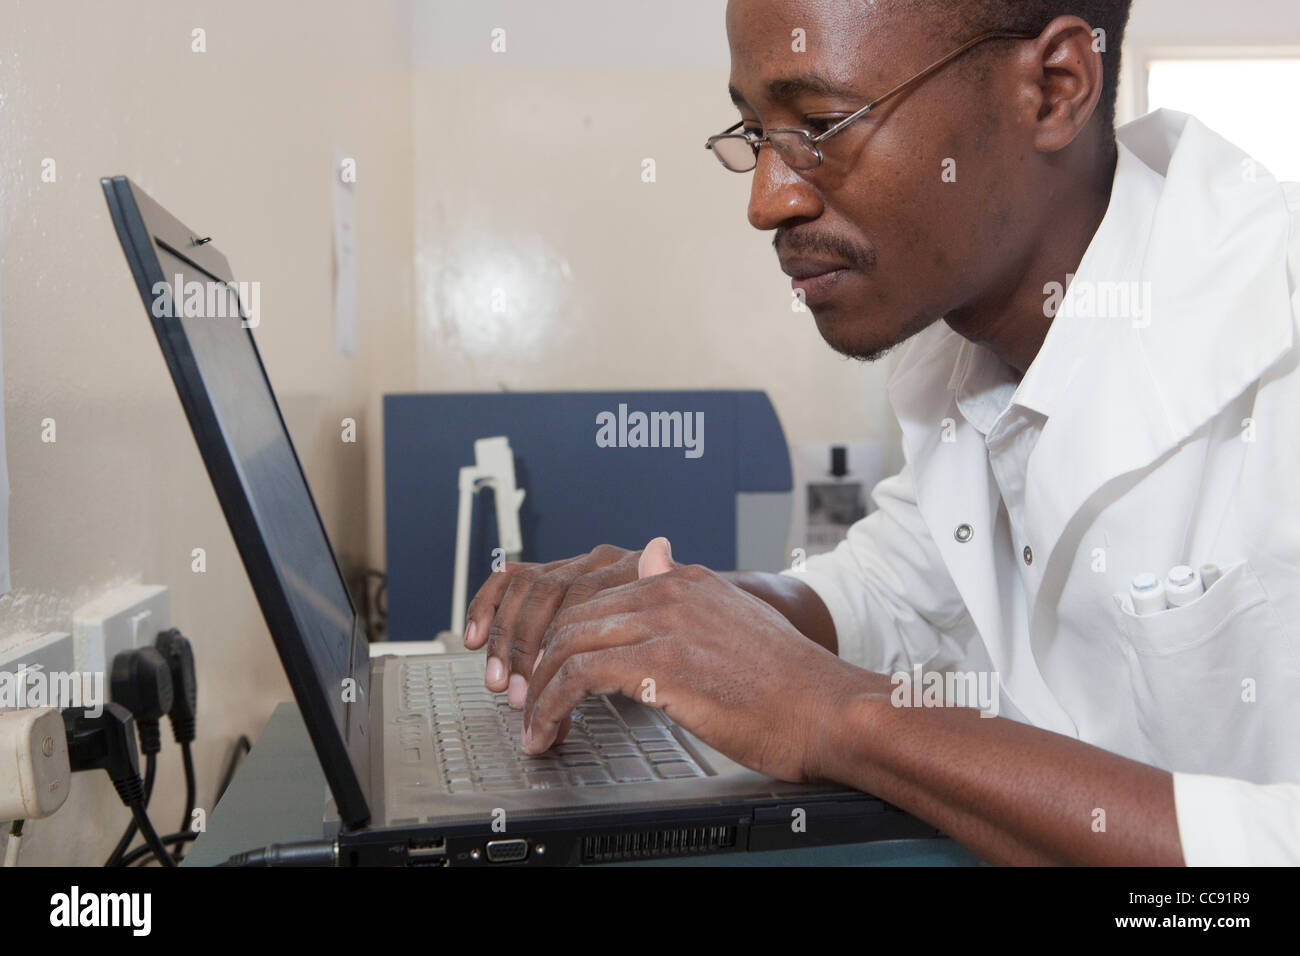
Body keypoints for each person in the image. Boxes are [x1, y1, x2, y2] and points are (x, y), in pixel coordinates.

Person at [464, 0, 1300, 865]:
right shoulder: (965, 354)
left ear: (1054, 89)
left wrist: (834, 715)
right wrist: (669, 611)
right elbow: (892, 596)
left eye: (821, 125)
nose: (767, 199)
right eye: (755, 134)